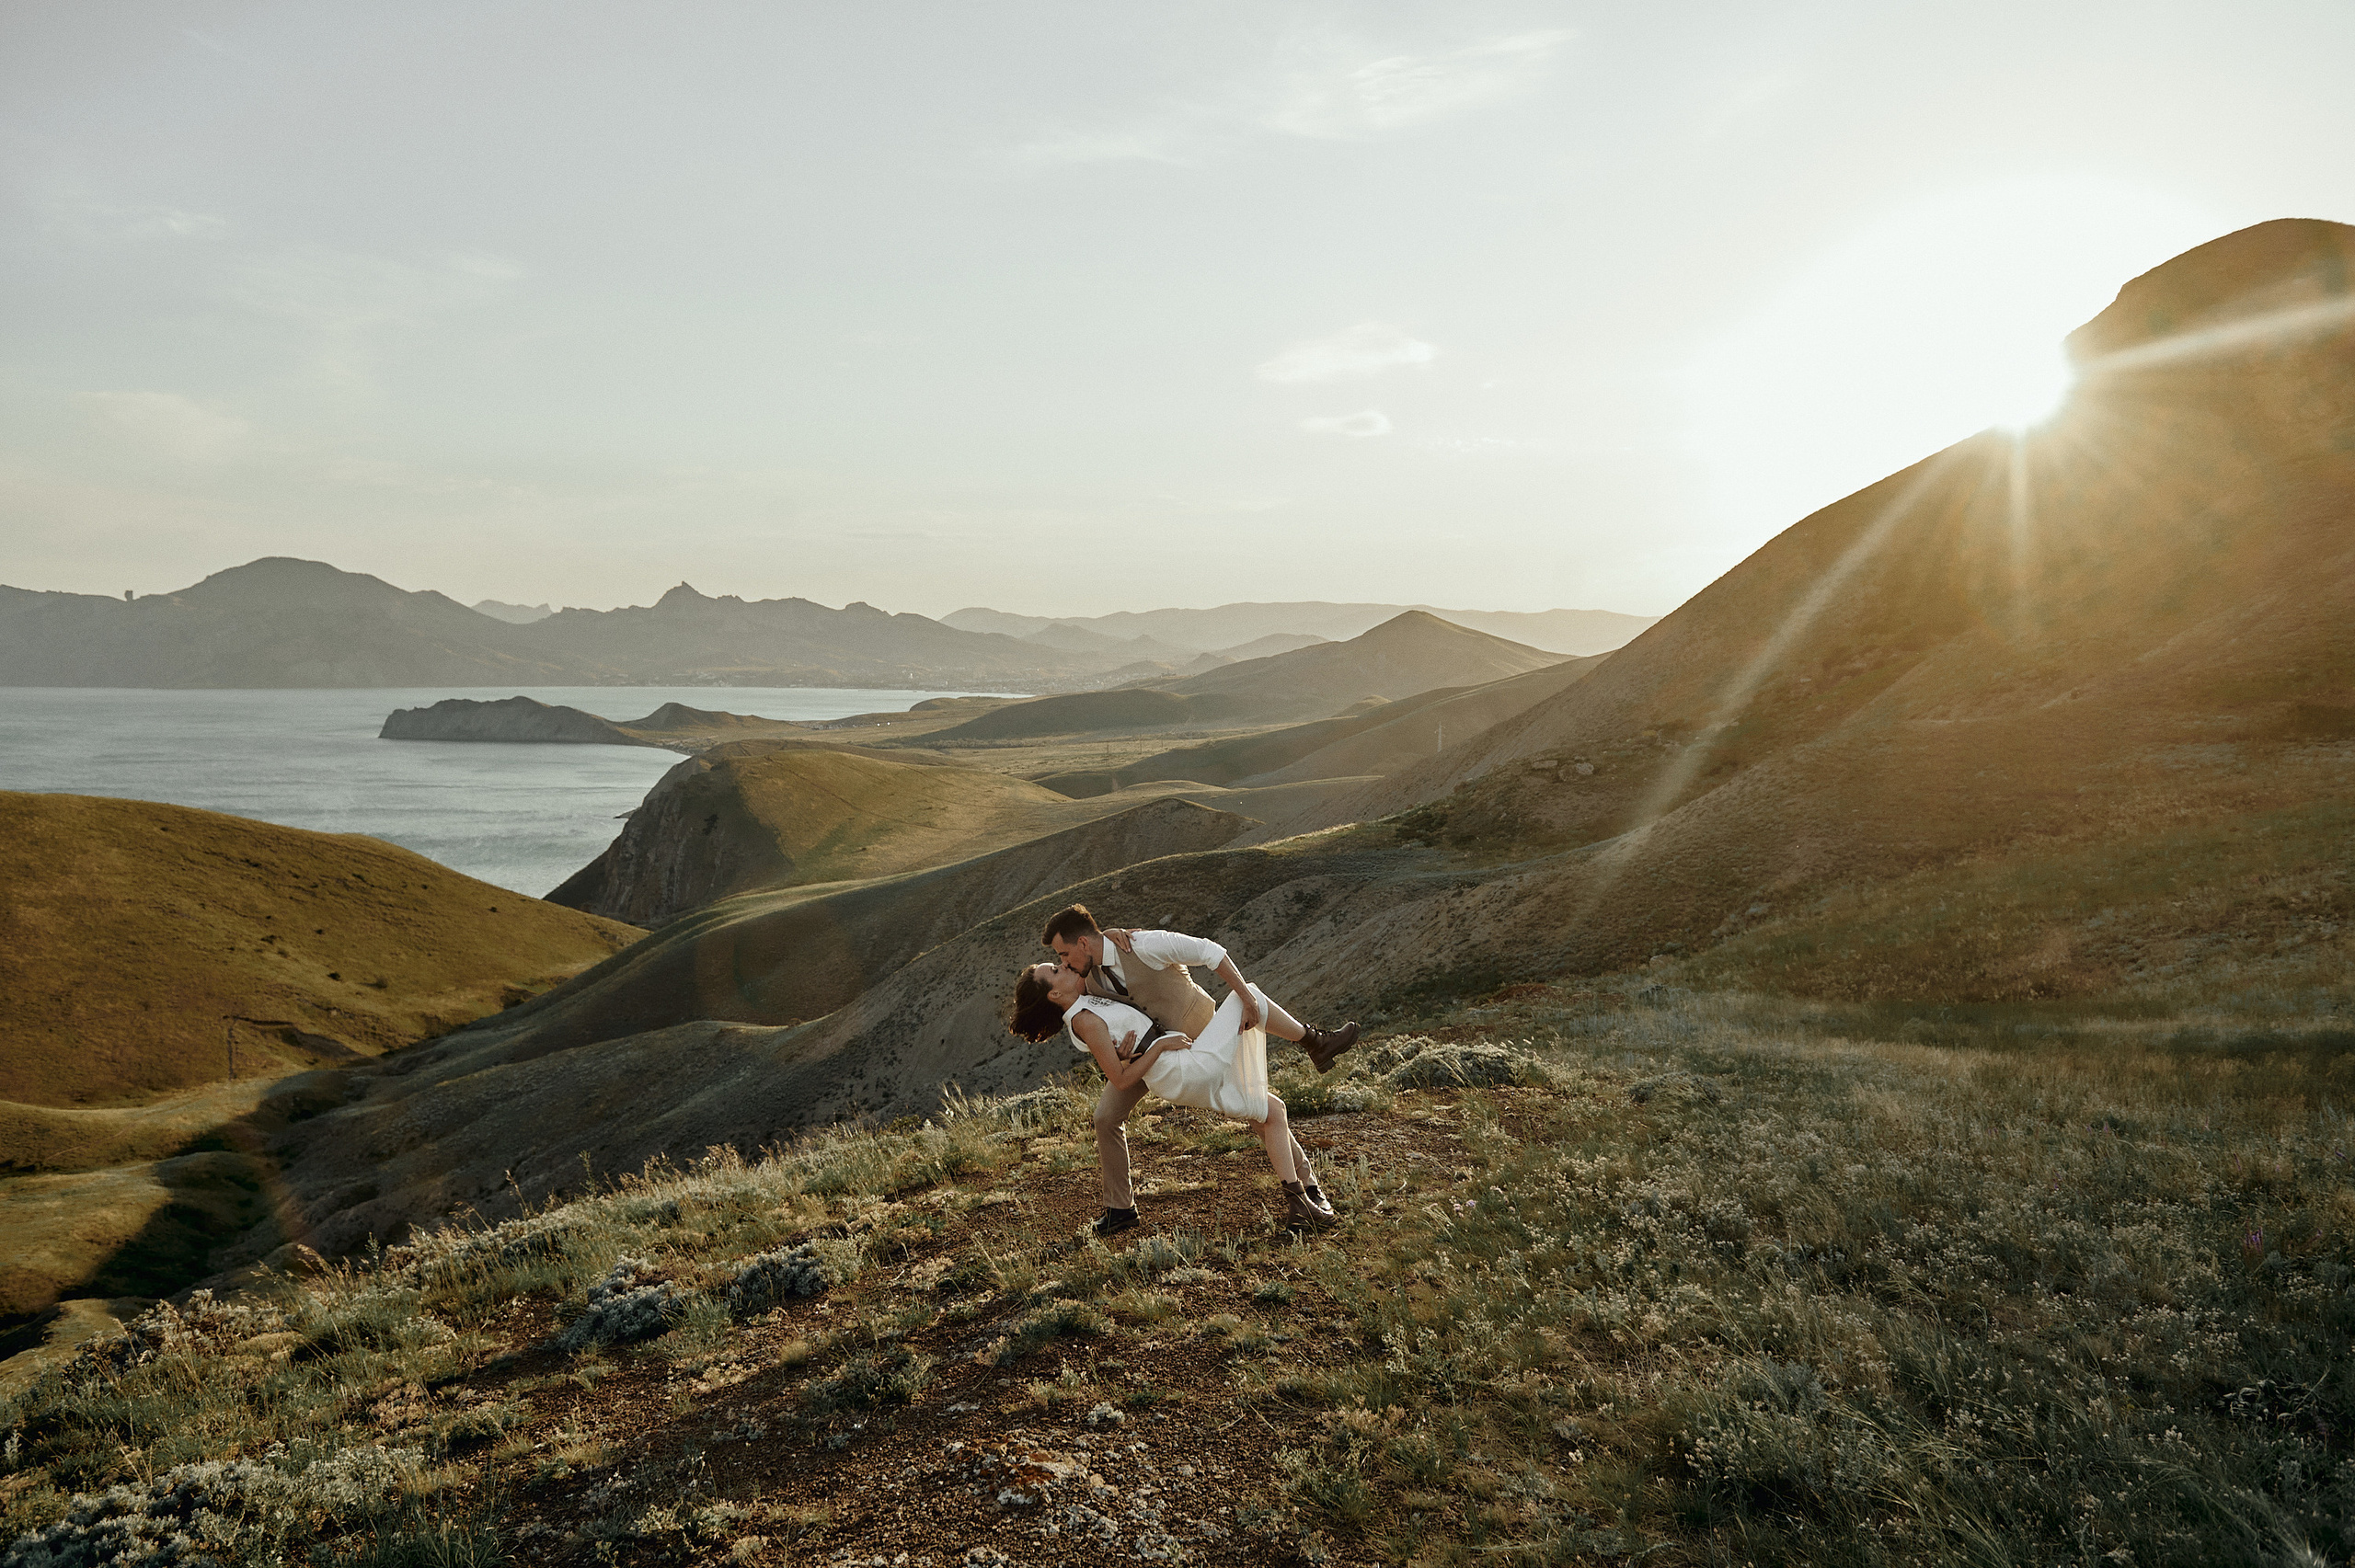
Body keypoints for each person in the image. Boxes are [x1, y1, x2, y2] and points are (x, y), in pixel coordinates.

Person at [1009, 958, 1336, 1231]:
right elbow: (1121, 1080)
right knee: (1245, 995)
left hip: (1176, 1062)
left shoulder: (1087, 1001)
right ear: (1053, 993)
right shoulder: (1084, 1021)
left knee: (1272, 1110)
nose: (1062, 966)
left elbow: (1127, 1036)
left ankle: (1301, 1202)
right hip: (1177, 1068)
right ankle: (1314, 1041)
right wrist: (1160, 1045)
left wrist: (1142, 1047)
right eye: (1054, 970)